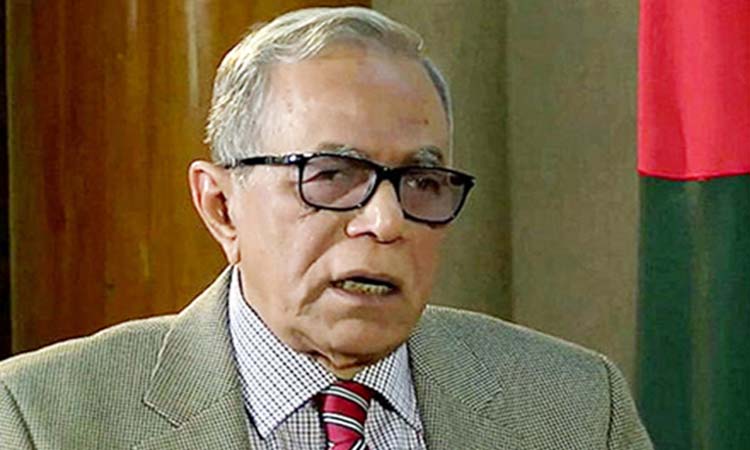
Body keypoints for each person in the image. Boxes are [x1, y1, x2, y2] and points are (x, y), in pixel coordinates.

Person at [0, 7, 653, 449]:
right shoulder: (42, 419)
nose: (386, 221)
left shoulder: (573, 408)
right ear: (221, 207)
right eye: (333, 175)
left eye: (422, 182)